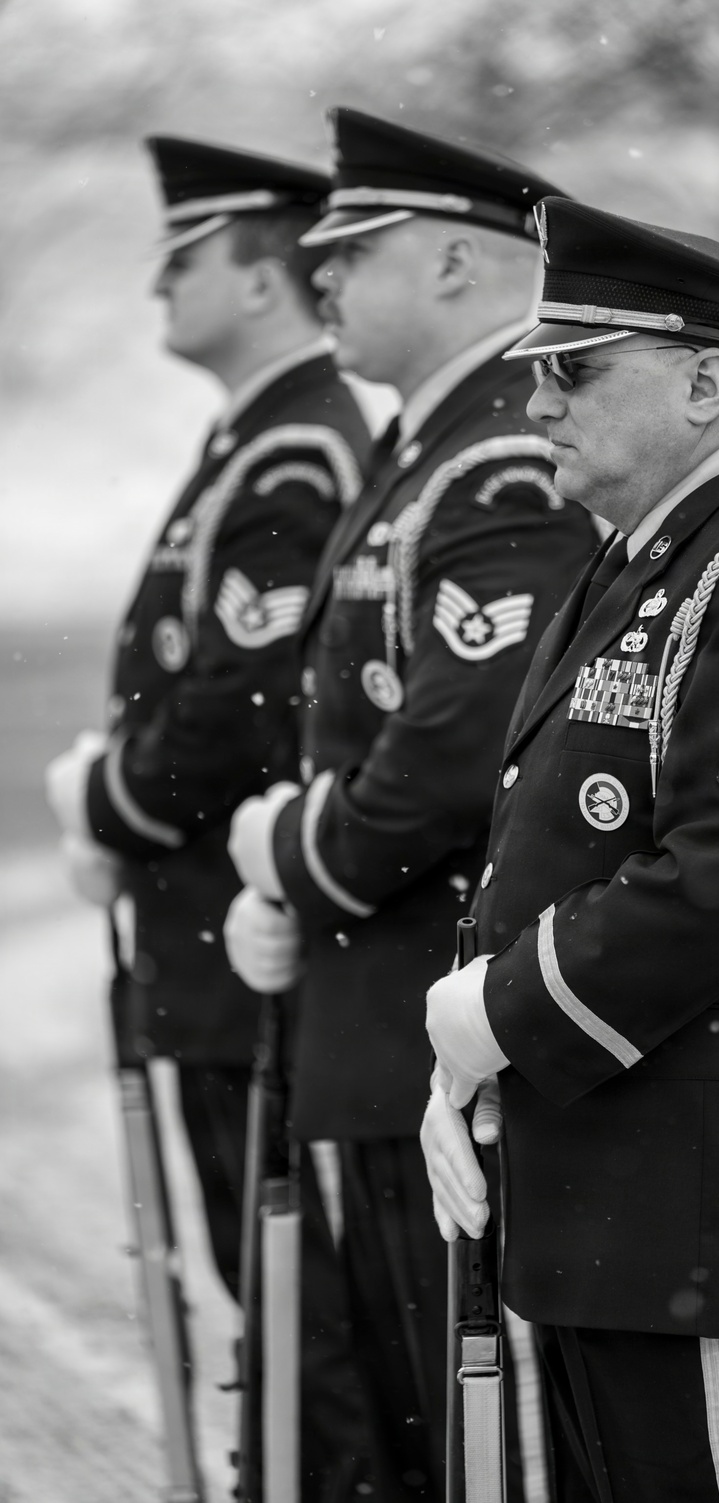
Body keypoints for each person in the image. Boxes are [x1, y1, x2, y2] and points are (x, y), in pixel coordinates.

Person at [422, 196, 719, 1503]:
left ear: (703, 381)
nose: (540, 404)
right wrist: (478, 1050)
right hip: (621, 1202)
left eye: (573, 371)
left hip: (707, 1206)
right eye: (535, 372)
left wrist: (500, 1010)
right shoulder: (648, 558)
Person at [223, 109, 598, 1501]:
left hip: (434, 1026)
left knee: (462, 1446)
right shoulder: (429, 442)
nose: (319, 276)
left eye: (352, 247)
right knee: (394, 1426)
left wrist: (291, 859)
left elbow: (450, 759)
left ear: (454, 263)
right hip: (377, 1023)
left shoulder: (505, 452)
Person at [44, 135, 378, 1499]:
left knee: (302, 1304)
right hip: (205, 944)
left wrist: (106, 801)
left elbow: (237, 709)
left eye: (182, 260)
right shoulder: (257, 438)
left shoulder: (298, 450)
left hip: (249, 941)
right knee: (272, 1295)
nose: (156, 290)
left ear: (258, 277)